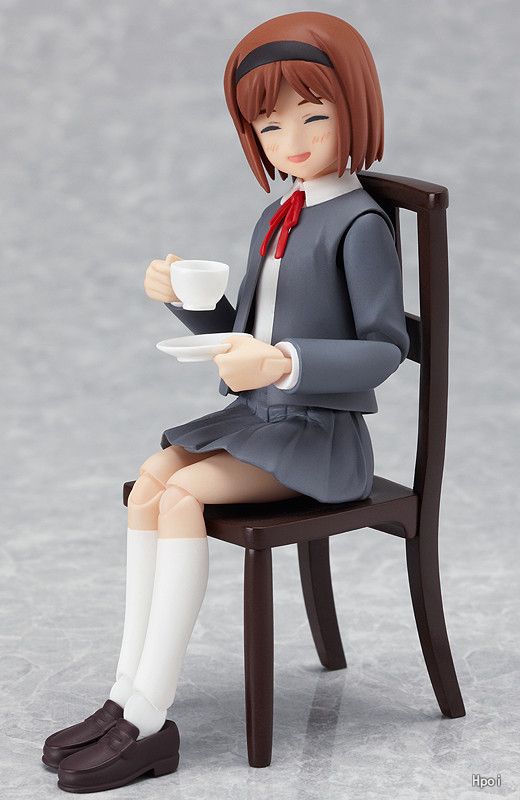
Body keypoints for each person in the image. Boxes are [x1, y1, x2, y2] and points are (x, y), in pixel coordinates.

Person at [42, 11, 409, 792]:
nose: (292, 141)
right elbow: (241, 334)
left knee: (180, 497)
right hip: (261, 421)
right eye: (270, 126)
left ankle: (150, 720)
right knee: (150, 481)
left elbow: (386, 348)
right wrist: (186, 300)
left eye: (314, 117)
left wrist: (286, 361)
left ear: (356, 108)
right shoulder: (276, 216)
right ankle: (123, 694)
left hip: (320, 435)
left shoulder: (361, 224)